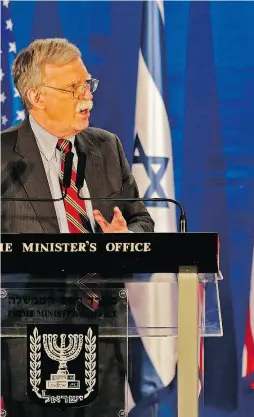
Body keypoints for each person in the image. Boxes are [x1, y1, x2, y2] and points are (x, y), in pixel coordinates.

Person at [1, 38, 154, 416]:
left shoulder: (106, 147)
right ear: (36, 96)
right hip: (23, 341)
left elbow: (141, 221)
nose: (87, 96)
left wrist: (126, 239)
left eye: (88, 84)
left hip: (104, 336)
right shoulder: (3, 158)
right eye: (73, 88)